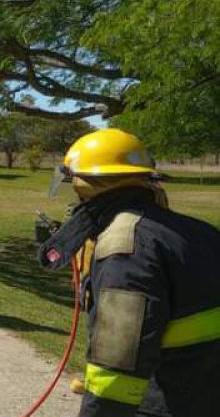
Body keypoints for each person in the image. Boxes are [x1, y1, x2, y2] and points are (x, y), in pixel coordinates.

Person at [39, 128, 220, 417]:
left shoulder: (125, 247)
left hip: (165, 403)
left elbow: (116, 370)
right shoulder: (199, 232)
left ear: (87, 186)